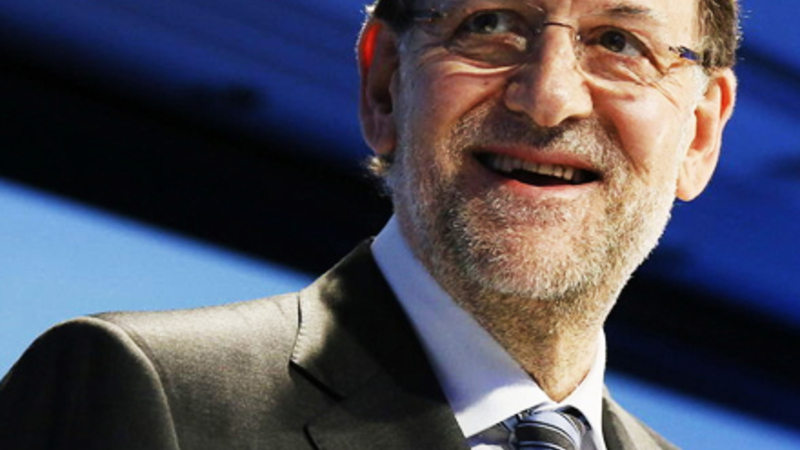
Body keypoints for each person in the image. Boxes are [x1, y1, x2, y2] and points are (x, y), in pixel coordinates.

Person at [0, 0, 739, 448]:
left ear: (699, 135)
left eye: (619, 43)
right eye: (490, 24)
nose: (548, 98)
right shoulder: (144, 392)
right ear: (385, 84)